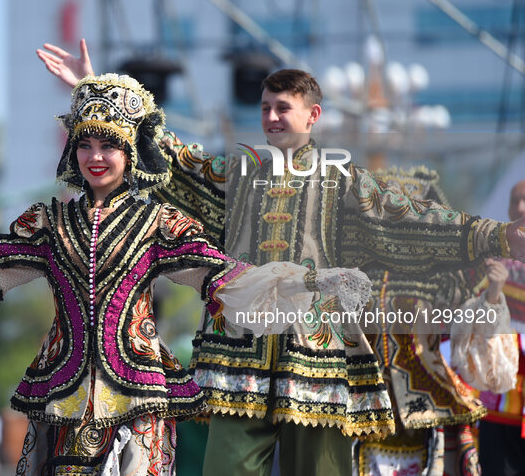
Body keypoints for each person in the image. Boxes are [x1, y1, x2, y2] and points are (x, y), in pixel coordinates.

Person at [37, 42, 525, 475]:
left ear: (313, 116)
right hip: (239, 358)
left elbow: (416, 219)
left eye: (283, 108)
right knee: (225, 467)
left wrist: (499, 237)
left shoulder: (345, 183)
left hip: (317, 358)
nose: (271, 117)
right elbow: (171, 158)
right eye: (266, 107)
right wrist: (95, 88)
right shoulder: (238, 174)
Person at [0, 72, 375, 476]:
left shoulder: (159, 223)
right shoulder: (47, 222)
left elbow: (223, 276)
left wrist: (312, 282)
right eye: (85, 145)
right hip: (63, 391)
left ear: (129, 153)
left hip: (139, 391)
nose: (96, 157)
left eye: (108, 146)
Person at [351, 167, 518, 476]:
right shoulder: (352, 267)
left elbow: (476, 351)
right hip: (361, 408)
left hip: (428, 410)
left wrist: (493, 296)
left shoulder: (448, 272)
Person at [472, 179, 525, 476]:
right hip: (500, 409)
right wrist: (493, 291)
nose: (519, 207)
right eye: (514, 201)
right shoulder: (491, 263)